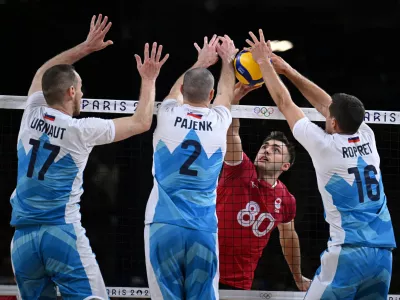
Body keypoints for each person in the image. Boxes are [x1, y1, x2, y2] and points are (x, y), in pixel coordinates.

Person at [10, 14, 168, 299]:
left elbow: (43, 73)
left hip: (21, 240)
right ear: (71, 91)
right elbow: (141, 122)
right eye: (80, 87)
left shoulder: (31, 113)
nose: (83, 92)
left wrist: (84, 48)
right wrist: (149, 78)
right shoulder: (79, 130)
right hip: (61, 233)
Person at [245, 29, 396, 299]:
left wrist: (264, 63)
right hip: (383, 255)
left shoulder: (325, 146)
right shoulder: (367, 135)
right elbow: (329, 105)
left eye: (330, 117)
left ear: (334, 123)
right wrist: (287, 69)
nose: (326, 114)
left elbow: (284, 101)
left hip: (348, 253)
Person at [144, 34, 237, 300]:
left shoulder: (167, 113)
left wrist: (200, 62)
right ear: (210, 94)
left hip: (162, 225)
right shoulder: (220, 120)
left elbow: (176, 91)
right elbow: (226, 92)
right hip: (203, 228)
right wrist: (228, 60)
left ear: (183, 91)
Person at [217, 82, 311, 291]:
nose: (266, 151)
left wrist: (298, 277)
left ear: (285, 166)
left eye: (276, 150)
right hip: (205, 268)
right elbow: (231, 133)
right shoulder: (239, 168)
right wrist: (235, 100)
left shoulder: (286, 200)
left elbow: (288, 238)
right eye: (265, 146)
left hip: (239, 281)